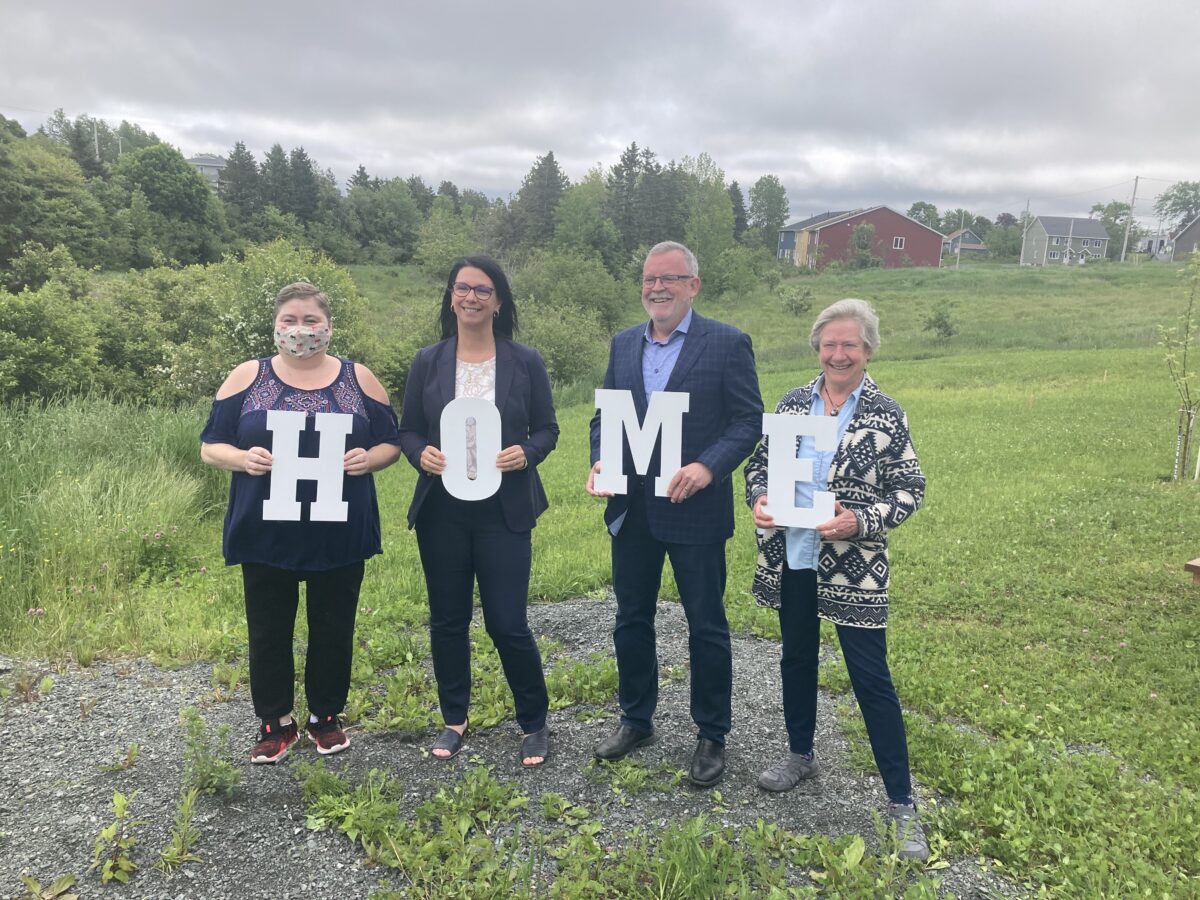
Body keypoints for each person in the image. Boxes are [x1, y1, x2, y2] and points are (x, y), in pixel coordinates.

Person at [743, 298, 928, 860]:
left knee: (871, 677)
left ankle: (901, 801)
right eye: (830, 344)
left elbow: (910, 489)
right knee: (796, 657)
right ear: (817, 349)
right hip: (793, 555)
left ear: (868, 350)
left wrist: (861, 520)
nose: (839, 353)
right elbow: (758, 465)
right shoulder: (793, 404)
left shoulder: (885, 413)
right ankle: (801, 754)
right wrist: (758, 497)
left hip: (855, 566)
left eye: (850, 344)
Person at [200, 282, 402, 764]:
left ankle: (325, 717)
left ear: (328, 326)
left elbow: (393, 442)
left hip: (339, 530)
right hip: (266, 531)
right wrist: (242, 458)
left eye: (310, 320)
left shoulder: (359, 379)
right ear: (275, 326)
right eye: (290, 320)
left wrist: (368, 459)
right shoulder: (248, 376)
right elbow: (210, 445)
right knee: (268, 629)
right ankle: (275, 722)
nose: (300, 330)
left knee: (333, 626)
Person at [586, 240, 763, 787]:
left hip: (696, 511)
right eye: (648, 279)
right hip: (634, 510)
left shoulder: (728, 343)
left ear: (693, 285)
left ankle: (712, 733)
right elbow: (604, 417)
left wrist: (709, 467)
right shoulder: (622, 345)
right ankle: (636, 719)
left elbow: (747, 421)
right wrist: (600, 461)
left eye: (669, 278)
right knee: (630, 619)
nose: (656, 288)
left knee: (706, 626)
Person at [398, 255, 558, 768]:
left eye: (482, 289)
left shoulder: (525, 361)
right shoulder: (428, 360)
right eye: (462, 288)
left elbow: (548, 429)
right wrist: (418, 452)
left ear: (499, 301)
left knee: (507, 622)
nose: (472, 297)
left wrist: (527, 454)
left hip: (504, 510)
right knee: (447, 620)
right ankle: (454, 718)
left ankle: (534, 722)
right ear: (451, 297)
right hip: (442, 510)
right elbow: (408, 429)